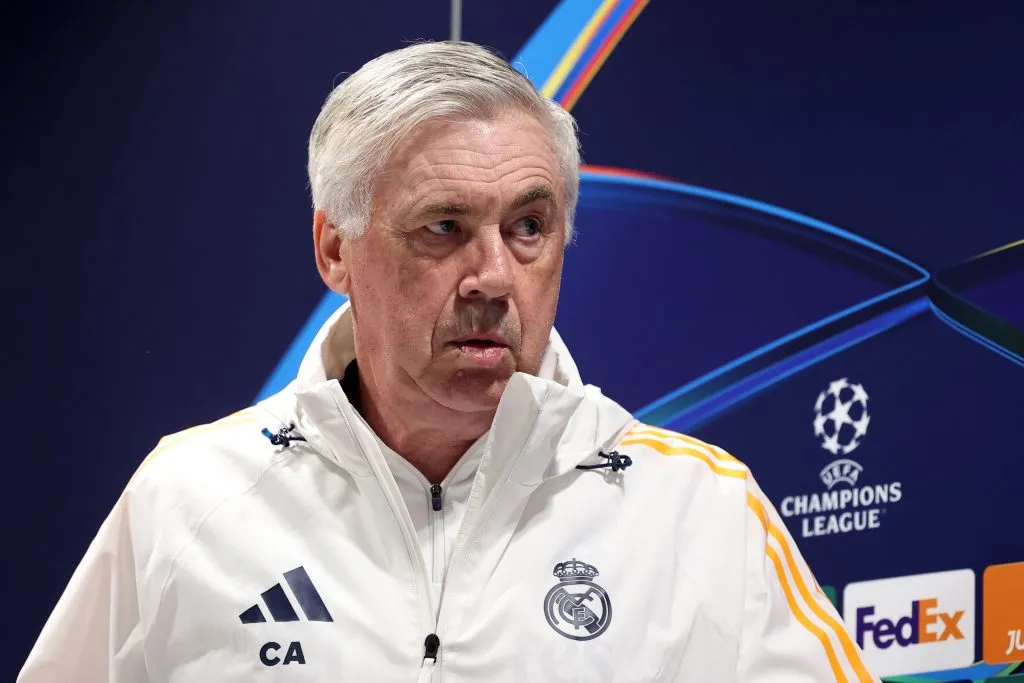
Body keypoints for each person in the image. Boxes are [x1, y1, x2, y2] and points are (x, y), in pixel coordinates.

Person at [18, 41, 877, 682]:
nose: (494, 276)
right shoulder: (187, 499)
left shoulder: (701, 512)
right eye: (444, 228)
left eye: (529, 227)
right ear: (334, 250)